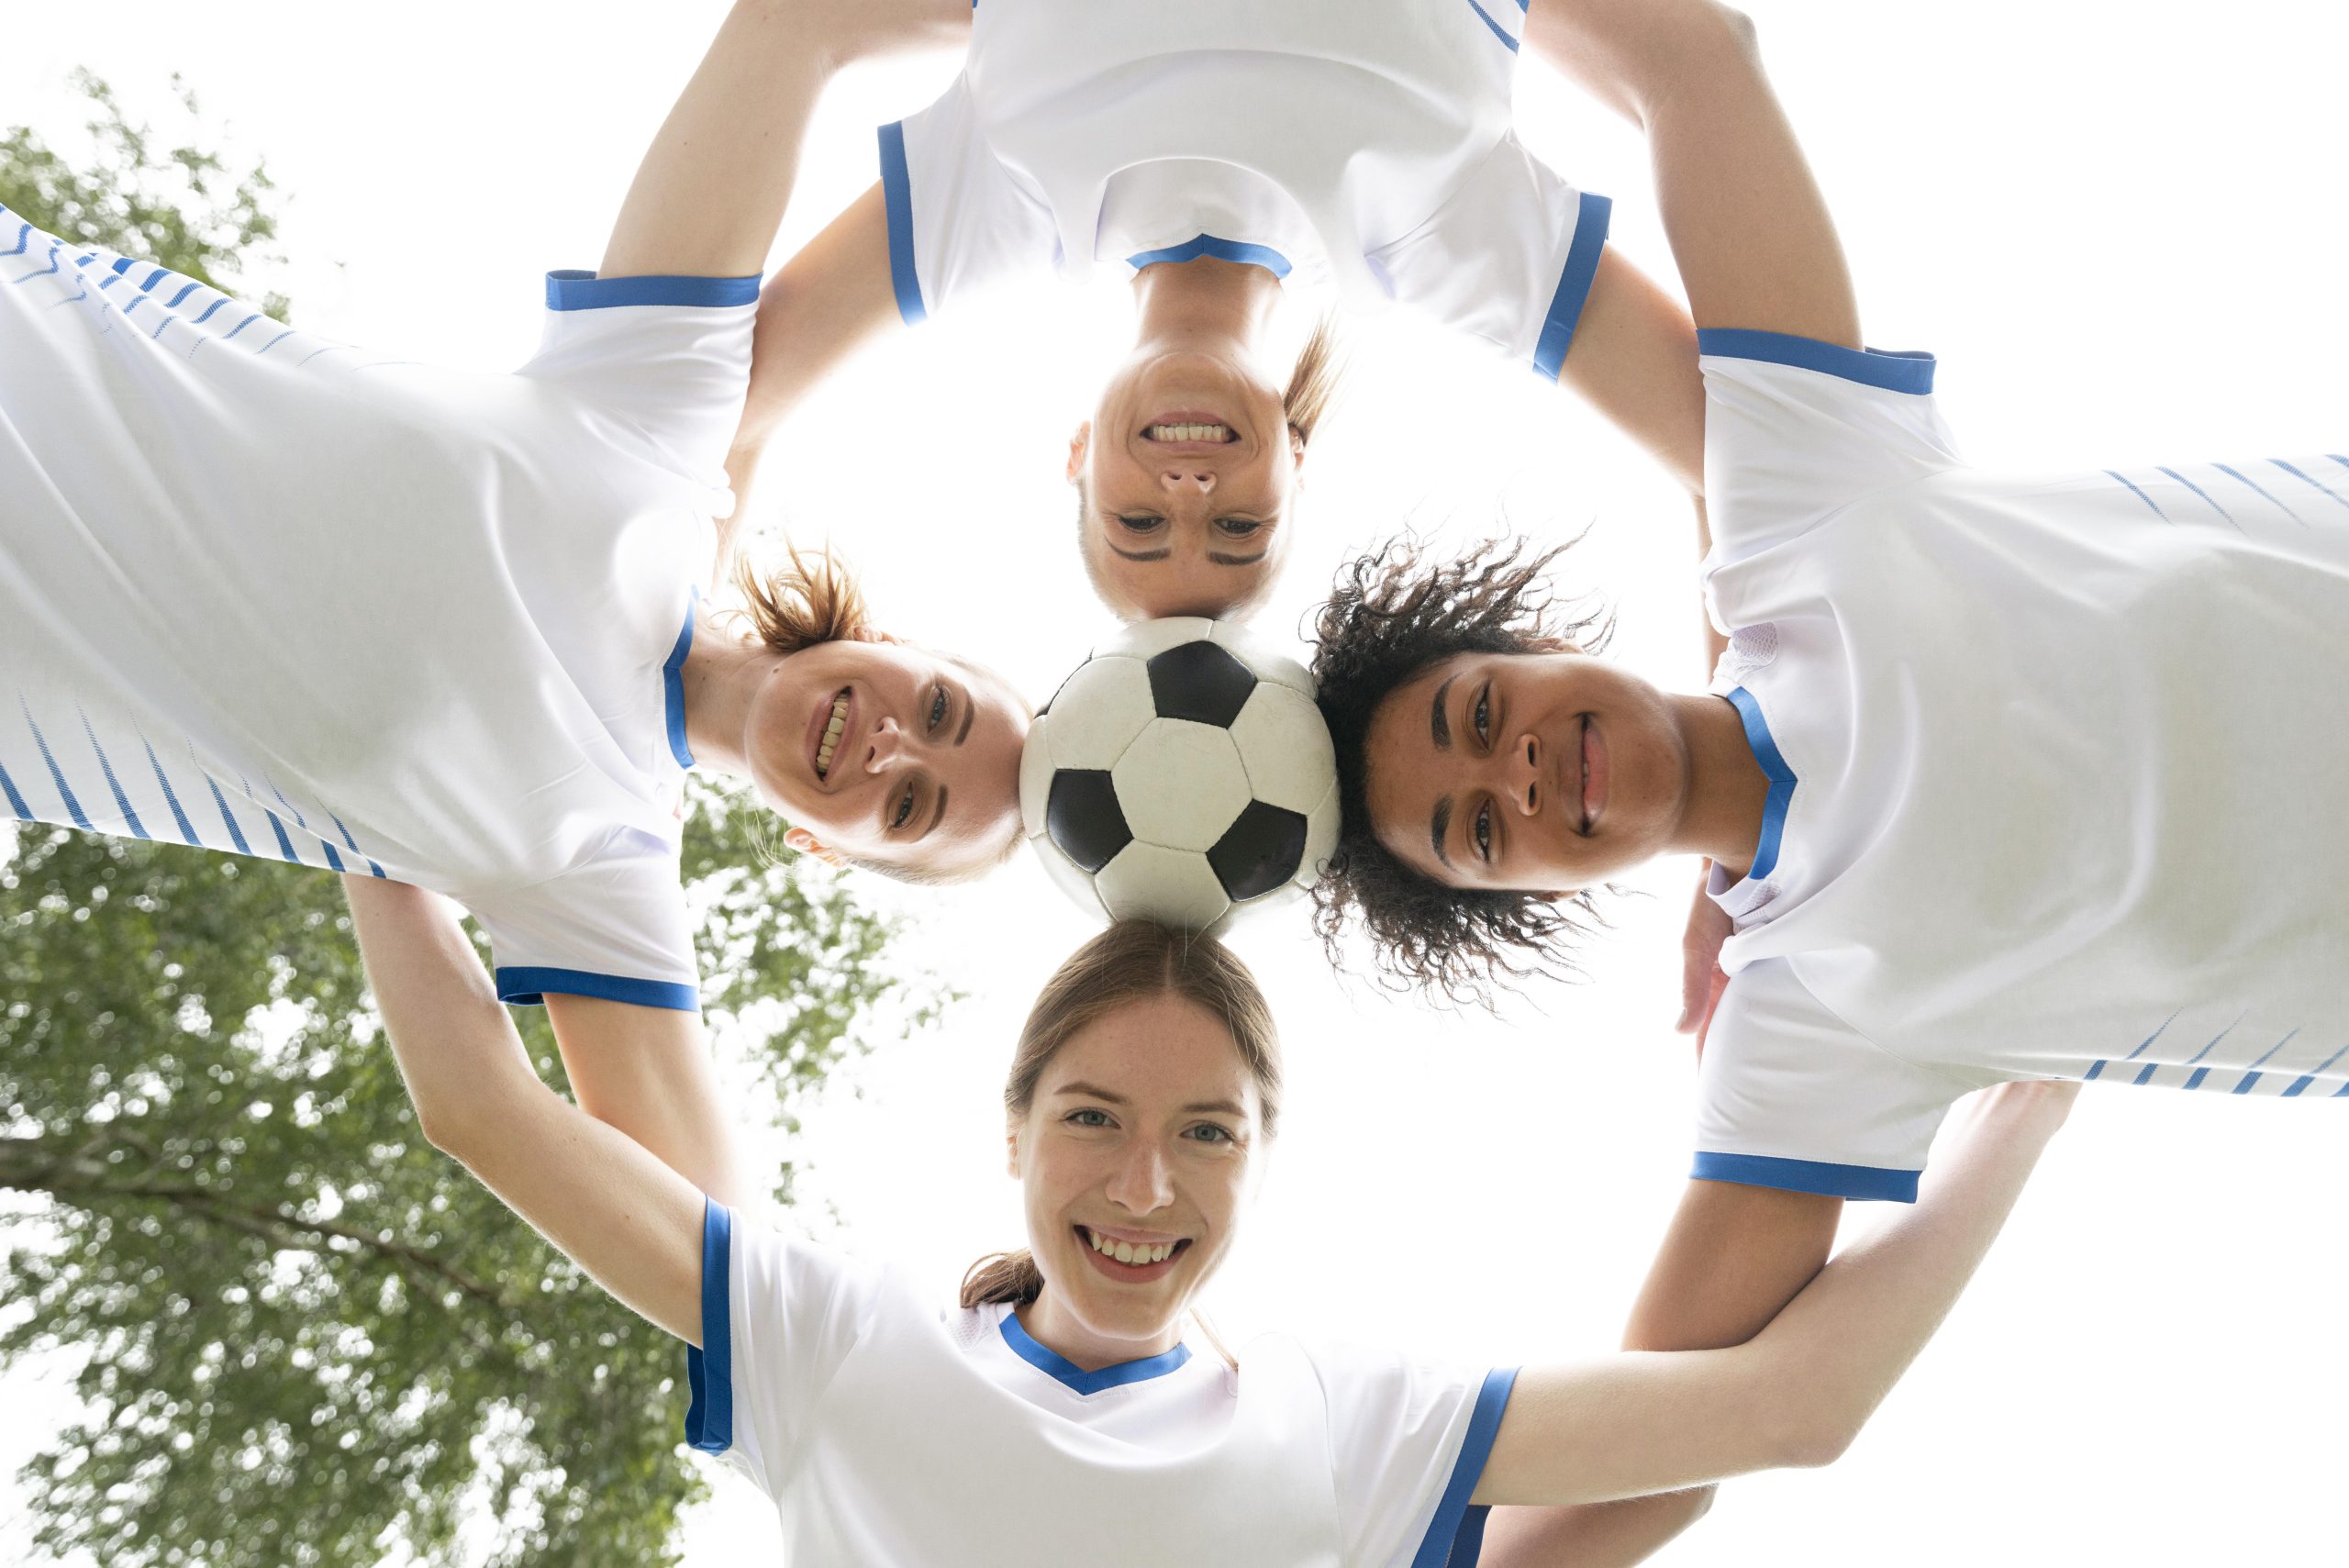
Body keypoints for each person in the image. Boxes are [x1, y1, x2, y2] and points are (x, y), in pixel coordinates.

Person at [1311, 1, 2345, 1551]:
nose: (1516, 769)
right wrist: (2012, 1137)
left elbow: (1691, 61)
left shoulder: (1795, 509)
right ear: (1531, 890)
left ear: (1526, 646)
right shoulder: (1811, 1020)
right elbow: (1685, 1442)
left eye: (1478, 710)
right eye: (1477, 829)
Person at [0, 0, 1020, 1201]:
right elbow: (798, 30)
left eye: (907, 807)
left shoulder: (596, 864)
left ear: (824, 849)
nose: (893, 745)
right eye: (941, 711)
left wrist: (382, 829)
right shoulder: (657, 431)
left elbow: (720, 1247)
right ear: (900, 645)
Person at [344, 884, 2073, 1567]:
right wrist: (376, 831)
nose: (1143, 1186)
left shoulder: (1340, 1416)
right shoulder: (840, 1334)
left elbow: (1787, 1409)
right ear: (1012, 1127)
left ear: (1262, 1155)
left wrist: (2033, 1087)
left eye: (1203, 1132)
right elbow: (482, 1101)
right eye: (1092, 1118)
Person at [723, 0, 1712, 624]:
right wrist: (1733, 795)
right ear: (1297, 460)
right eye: (1239, 524)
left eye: (1138, 520)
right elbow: (1733, 455)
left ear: (1075, 454)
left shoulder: (996, 200)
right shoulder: (1432, 232)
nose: (1189, 487)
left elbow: (721, 410)